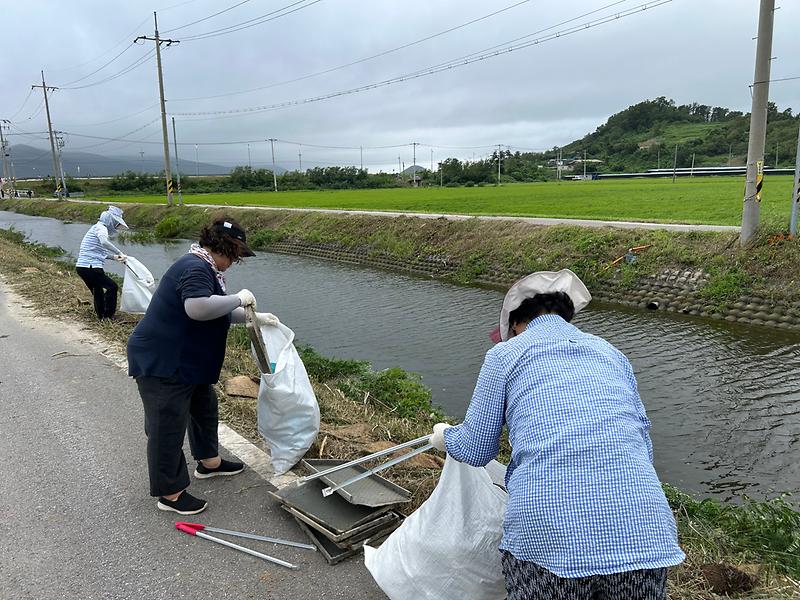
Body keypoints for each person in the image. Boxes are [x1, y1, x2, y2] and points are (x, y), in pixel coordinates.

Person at [430, 269, 684, 600]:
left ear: (517, 324)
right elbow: (642, 443)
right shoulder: (610, 353)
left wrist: (443, 436)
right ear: (566, 315)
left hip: (550, 536)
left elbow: (476, 448)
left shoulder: (506, 354)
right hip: (642, 527)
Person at [127, 216, 274, 515]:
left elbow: (214, 311)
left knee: (204, 406)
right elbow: (196, 309)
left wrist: (253, 317)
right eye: (236, 255)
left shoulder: (206, 267)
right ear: (226, 247)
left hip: (185, 360)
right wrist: (238, 299)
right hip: (163, 361)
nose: (235, 262)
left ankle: (210, 463)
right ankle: (170, 493)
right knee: (166, 424)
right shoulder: (194, 267)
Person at [75, 205, 129, 320]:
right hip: (91, 267)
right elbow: (104, 242)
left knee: (97, 290)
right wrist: (119, 251)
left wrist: (115, 257)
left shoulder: (95, 228)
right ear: (110, 220)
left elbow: (99, 252)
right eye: (115, 222)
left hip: (82, 267)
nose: (116, 226)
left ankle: (101, 316)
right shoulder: (101, 228)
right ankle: (108, 315)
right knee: (112, 287)